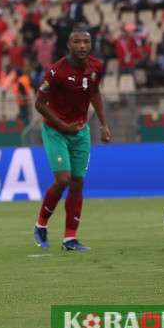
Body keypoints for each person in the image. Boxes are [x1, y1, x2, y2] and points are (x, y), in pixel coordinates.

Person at [33, 27, 111, 252]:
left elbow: (94, 92)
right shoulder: (56, 71)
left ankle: (70, 238)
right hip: (56, 131)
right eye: (77, 42)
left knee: (78, 182)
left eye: (86, 42)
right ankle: (41, 224)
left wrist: (104, 124)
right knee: (63, 179)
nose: (82, 46)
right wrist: (62, 125)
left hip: (80, 132)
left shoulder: (96, 67)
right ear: (69, 45)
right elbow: (39, 104)